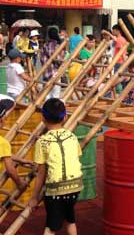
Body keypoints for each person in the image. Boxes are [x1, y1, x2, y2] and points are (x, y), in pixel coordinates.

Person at [29, 98, 83, 235]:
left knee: (51, 226)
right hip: (76, 186)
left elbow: (41, 172)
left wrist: (34, 197)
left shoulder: (42, 141)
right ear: (65, 117)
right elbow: (74, 158)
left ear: (42, 118)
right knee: (70, 219)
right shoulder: (72, 136)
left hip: (56, 191)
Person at [0, 96, 30, 191]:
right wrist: (20, 183)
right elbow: (10, 170)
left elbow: (4, 153)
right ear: (1, 120)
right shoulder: (2, 142)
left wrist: (21, 160)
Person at [40, 27, 65, 99]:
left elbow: (41, 59)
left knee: (47, 94)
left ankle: (46, 109)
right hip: (55, 72)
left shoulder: (44, 45)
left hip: (46, 72)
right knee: (55, 94)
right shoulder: (57, 45)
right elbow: (59, 59)